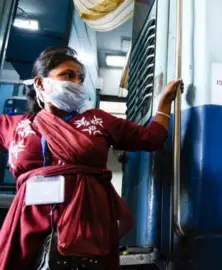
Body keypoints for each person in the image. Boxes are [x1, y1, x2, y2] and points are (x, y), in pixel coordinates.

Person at [0, 46, 183, 269]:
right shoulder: (14, 126)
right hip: (27, 223)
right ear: (40, 83)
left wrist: (164, 104)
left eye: (80, 78)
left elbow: (151, 139)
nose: (76, 82)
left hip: (87, 223)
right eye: (68, 75)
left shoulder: (98, 120)